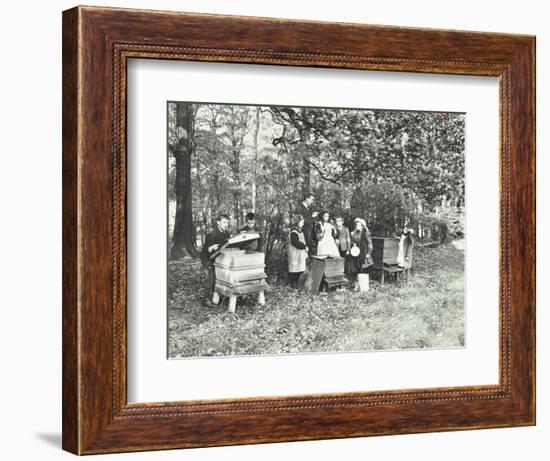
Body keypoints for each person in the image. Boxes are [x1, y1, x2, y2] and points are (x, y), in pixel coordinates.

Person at [200, 214, 231, 307]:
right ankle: (206, 300)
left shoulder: (226, 233)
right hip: (208, 259)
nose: (226, 224)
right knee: (211, 278)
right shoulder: (212, 234)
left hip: (218, 258)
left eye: (227, 223)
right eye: (224, 222)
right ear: (218, 222)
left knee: (221, 276)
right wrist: (211, 247)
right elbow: (207, 250)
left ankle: (218, 296)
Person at [349, 217, 373, 287]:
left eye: (359, 225)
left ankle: (364, 285)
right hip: (357, 253)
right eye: (356, 225)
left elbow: (370, 244)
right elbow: (353, 241)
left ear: (362, 226)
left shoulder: (366, 233)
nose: (357, 226)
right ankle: (357, 284)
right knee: (357, 269)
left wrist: (369, 253)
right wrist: (353, 243)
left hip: (364, 253)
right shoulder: (354, 233)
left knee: (364, 269)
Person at [287, 214, 308, 288]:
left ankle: (299, 285)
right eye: (301, 222)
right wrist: (304, 246)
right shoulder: (293, 232)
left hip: (300, 254)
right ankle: (294, 285)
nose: (302, 223)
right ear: (297, 222)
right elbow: (295, 243)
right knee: (294, 271)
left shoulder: (300, 231)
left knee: (300, 270)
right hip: (294, 254)